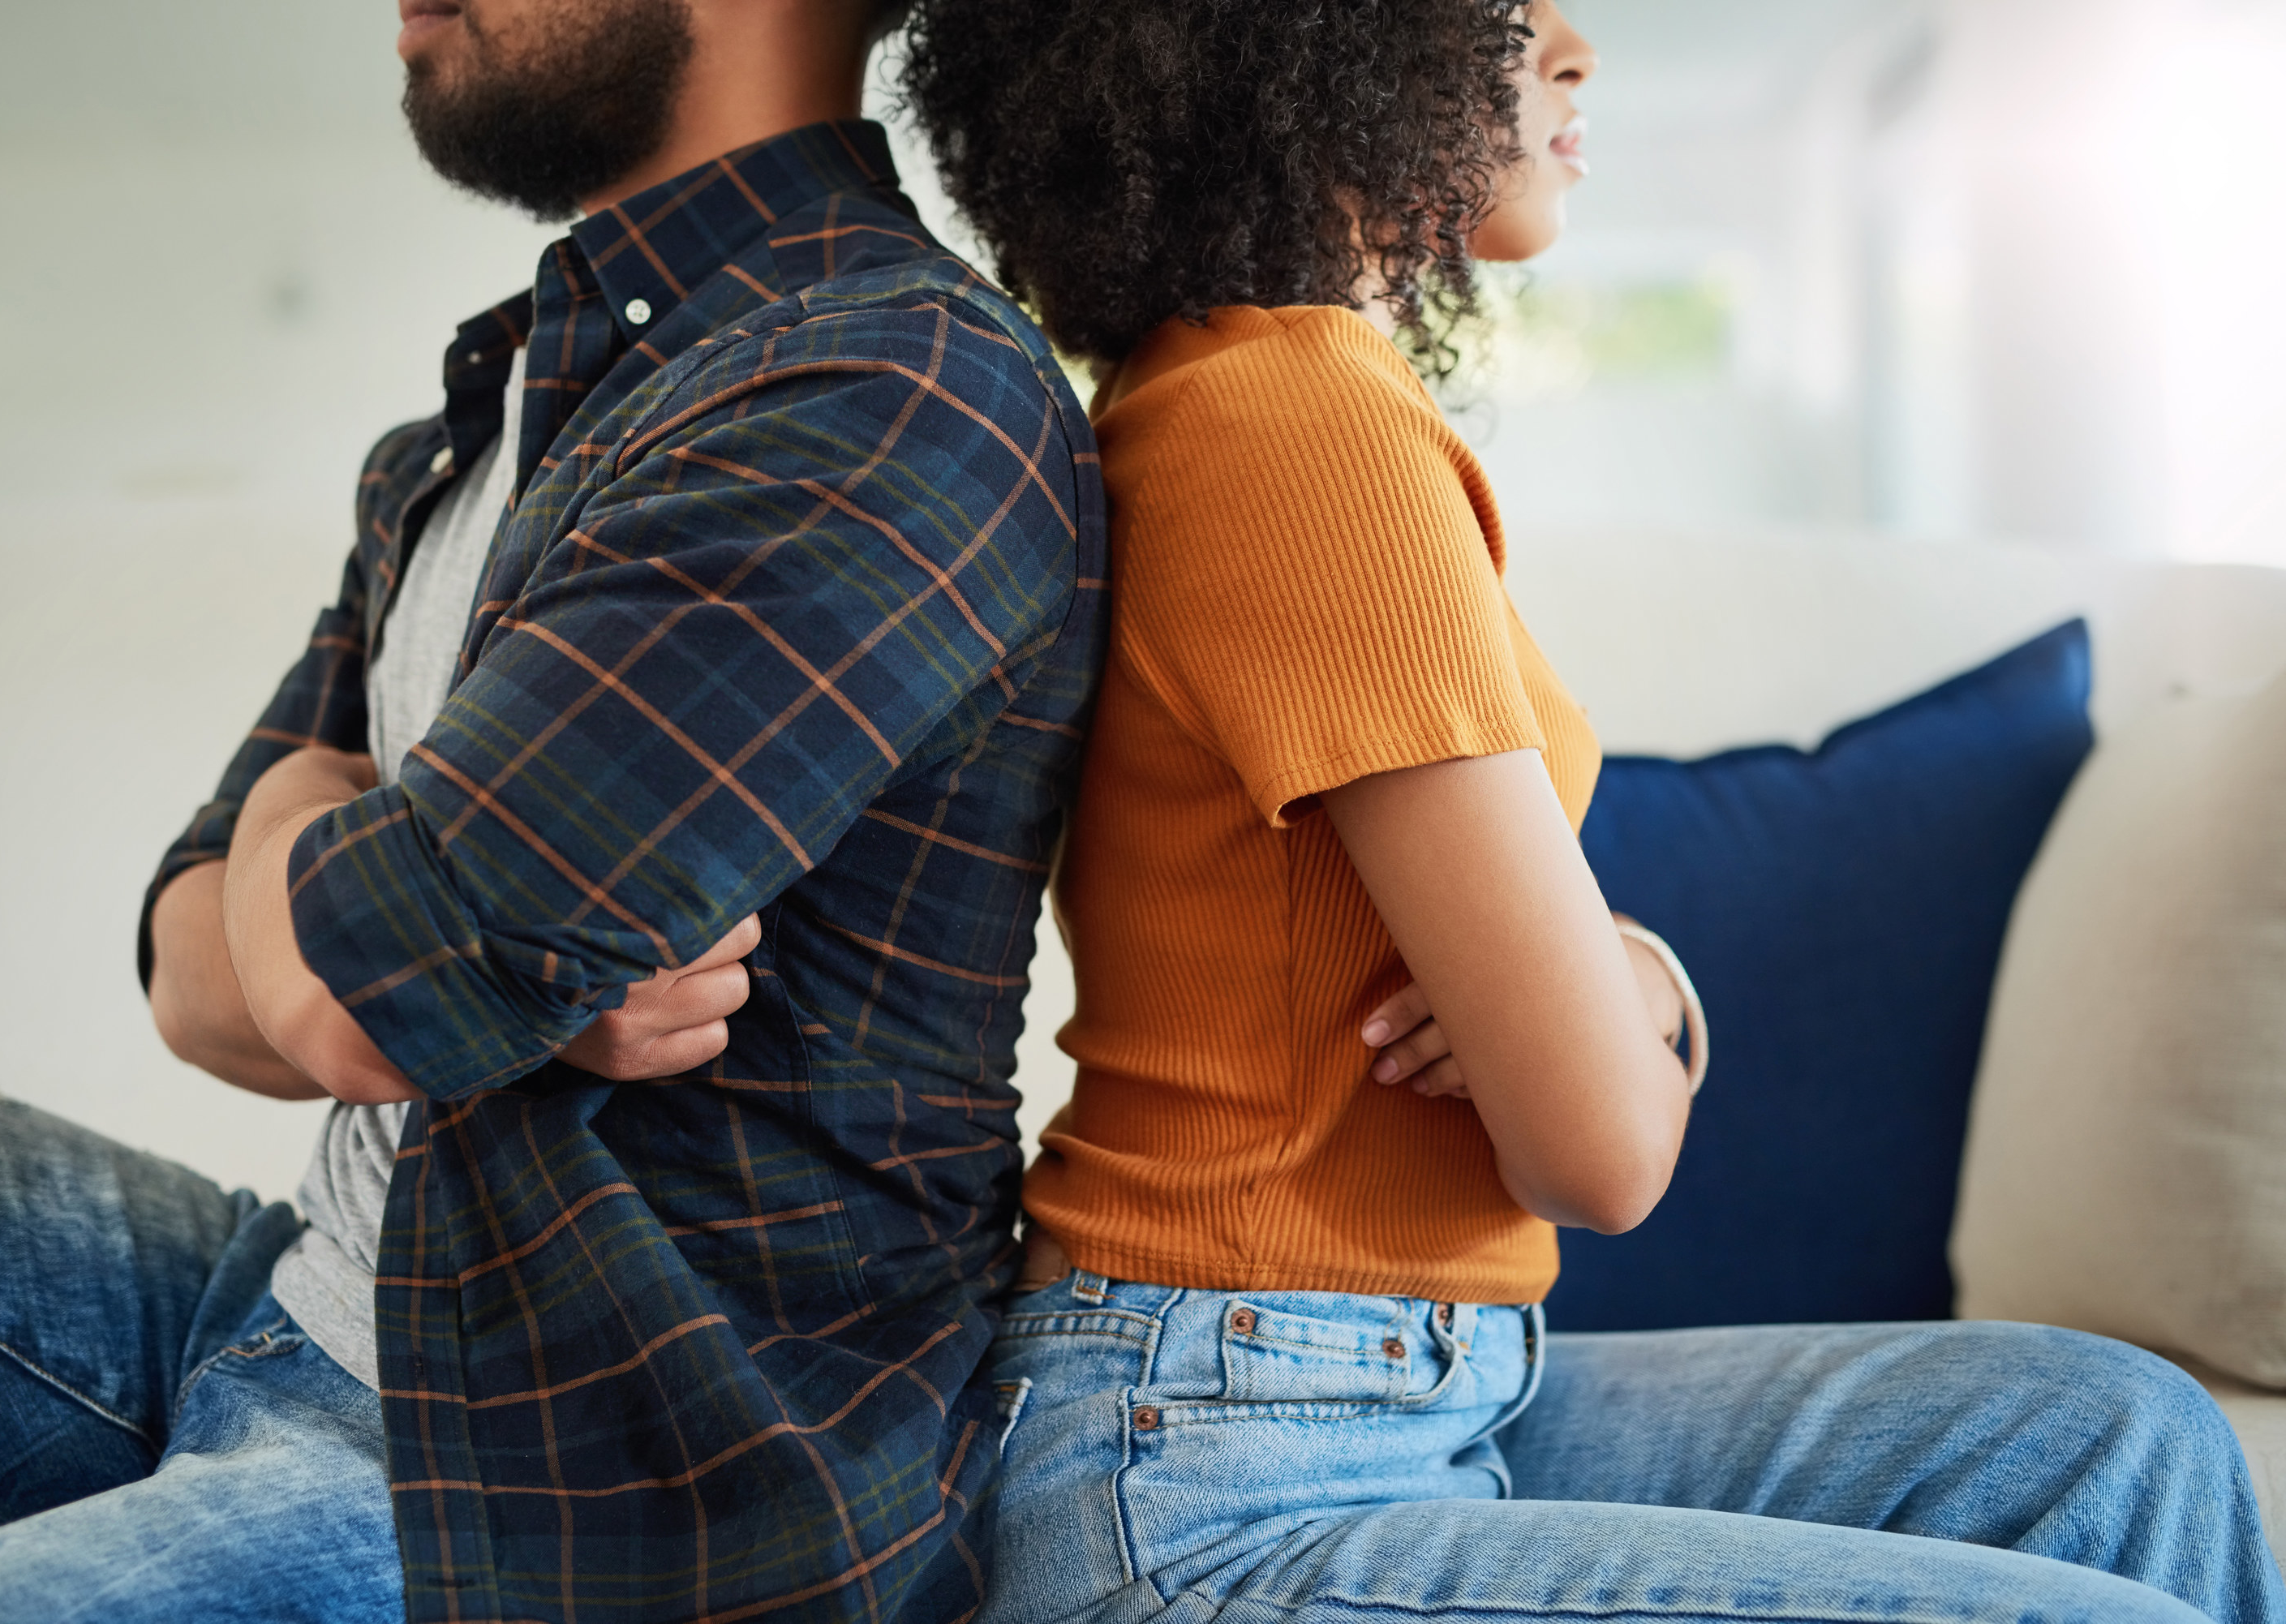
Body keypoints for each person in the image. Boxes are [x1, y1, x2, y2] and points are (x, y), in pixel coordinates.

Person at [903, 2, 2285, 1621]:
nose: (1574, 48)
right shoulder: (1293, 430)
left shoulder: (1256, 396)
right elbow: (1602, 1150)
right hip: (1214, 1465)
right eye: (1505, 5)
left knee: (2121, 1441)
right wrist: (1627, 992)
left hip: (1373, 1377)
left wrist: (1644, 979)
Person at [0, 0, 1105, 1619]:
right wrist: (358, 865)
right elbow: (200, 975)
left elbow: (352, 998)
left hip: (551, 1472)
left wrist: (340, 879)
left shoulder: (890, 384)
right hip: (297, 1295)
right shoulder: (500, 398)